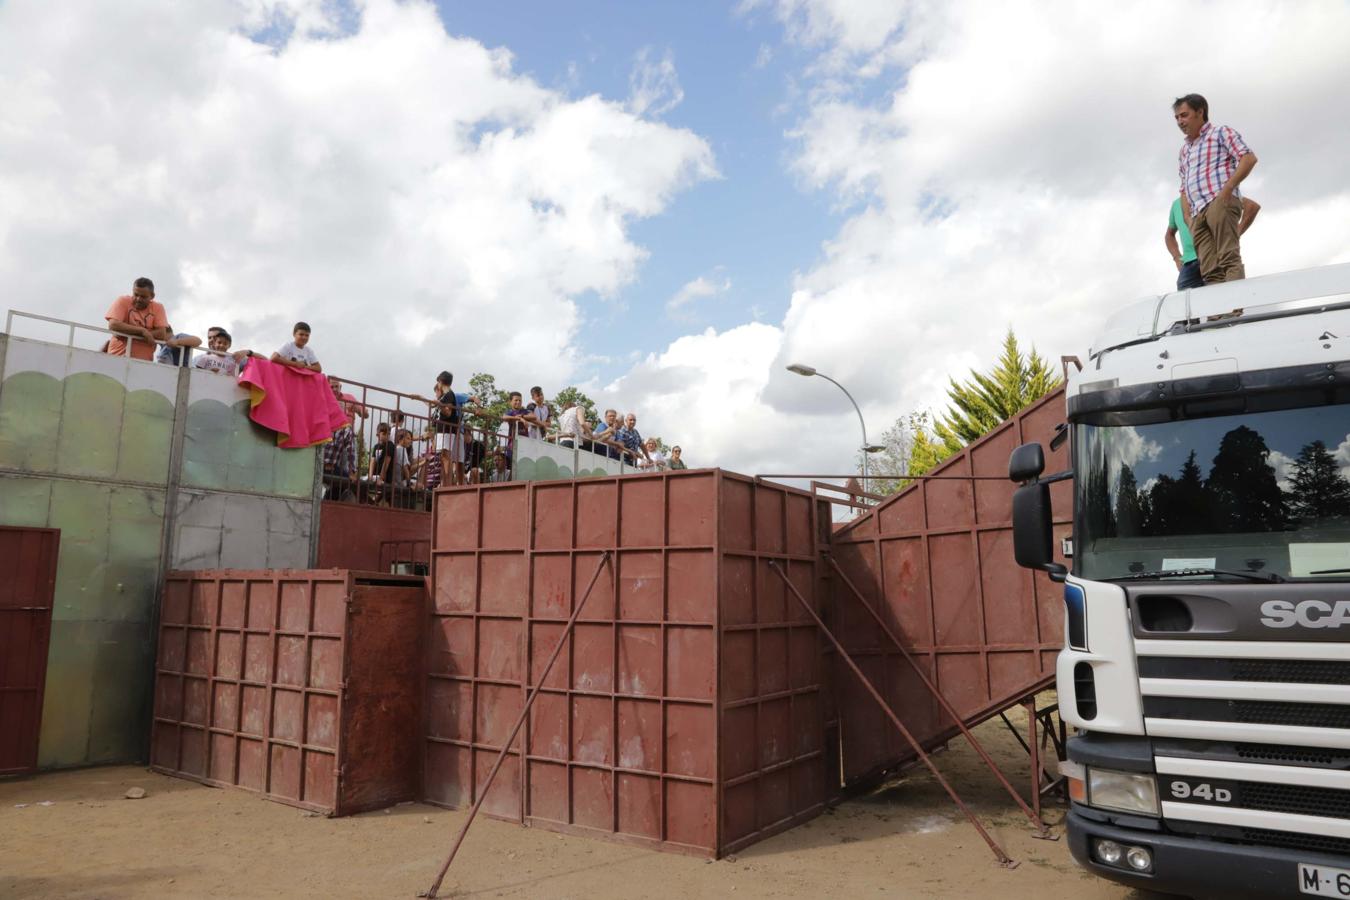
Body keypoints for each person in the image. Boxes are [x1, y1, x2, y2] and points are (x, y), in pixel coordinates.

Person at [1174, 93, 1257, 285]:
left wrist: (1227, 190)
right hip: (1197, 214)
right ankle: (1217, 315)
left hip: (1219, 202)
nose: (1180, 121)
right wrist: (1188, 217)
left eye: (1184, 115)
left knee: (1228, 258)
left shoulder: (1221, 133)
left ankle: (1235, 313)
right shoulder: (1184, 150)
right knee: (1209, 270)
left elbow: (1248, 158)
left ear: (1200, 112)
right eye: (1177, 117)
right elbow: (1183, 186)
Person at [1166, 195, 1260, 291]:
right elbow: (1169, 235)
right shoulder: (1176, 204)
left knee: (1222, 298)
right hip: (1189, 264)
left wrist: (1235, 234)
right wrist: (1176, 257)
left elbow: (1252, 206)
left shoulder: (1210, 192)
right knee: (1185, 302)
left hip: (1216, 257)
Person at [104, 277, 170, 360]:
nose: (138, 299)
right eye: (136, 295)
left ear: (152, 296)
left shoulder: (158, 307)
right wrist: (142, 331)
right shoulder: (123, 300)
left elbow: (161, 334)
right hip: (116, 357)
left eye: (143, 297)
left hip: (143, 363)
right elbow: (113, 325)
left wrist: (125, 330)